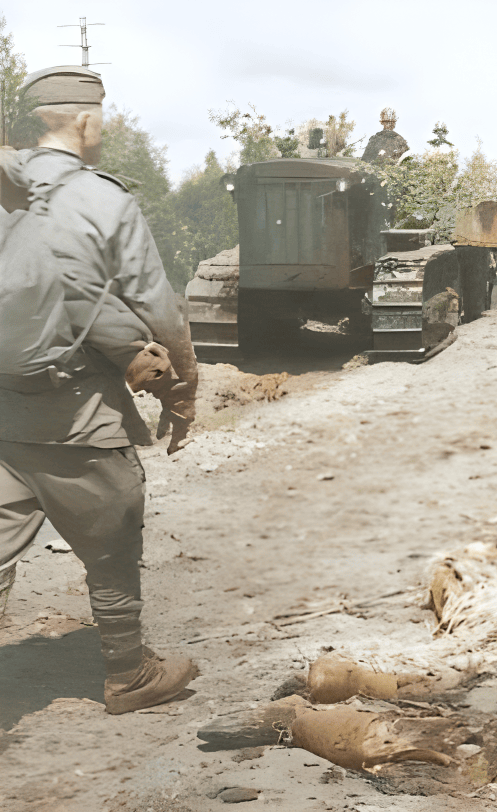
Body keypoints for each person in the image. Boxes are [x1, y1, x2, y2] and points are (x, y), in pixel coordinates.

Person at [0, 66, 200, 714]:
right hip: (77, 418)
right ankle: (129, 673)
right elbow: (159, 309)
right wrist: (184, 389)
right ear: (85, 121)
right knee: (115, 528)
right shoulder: (105, 200)